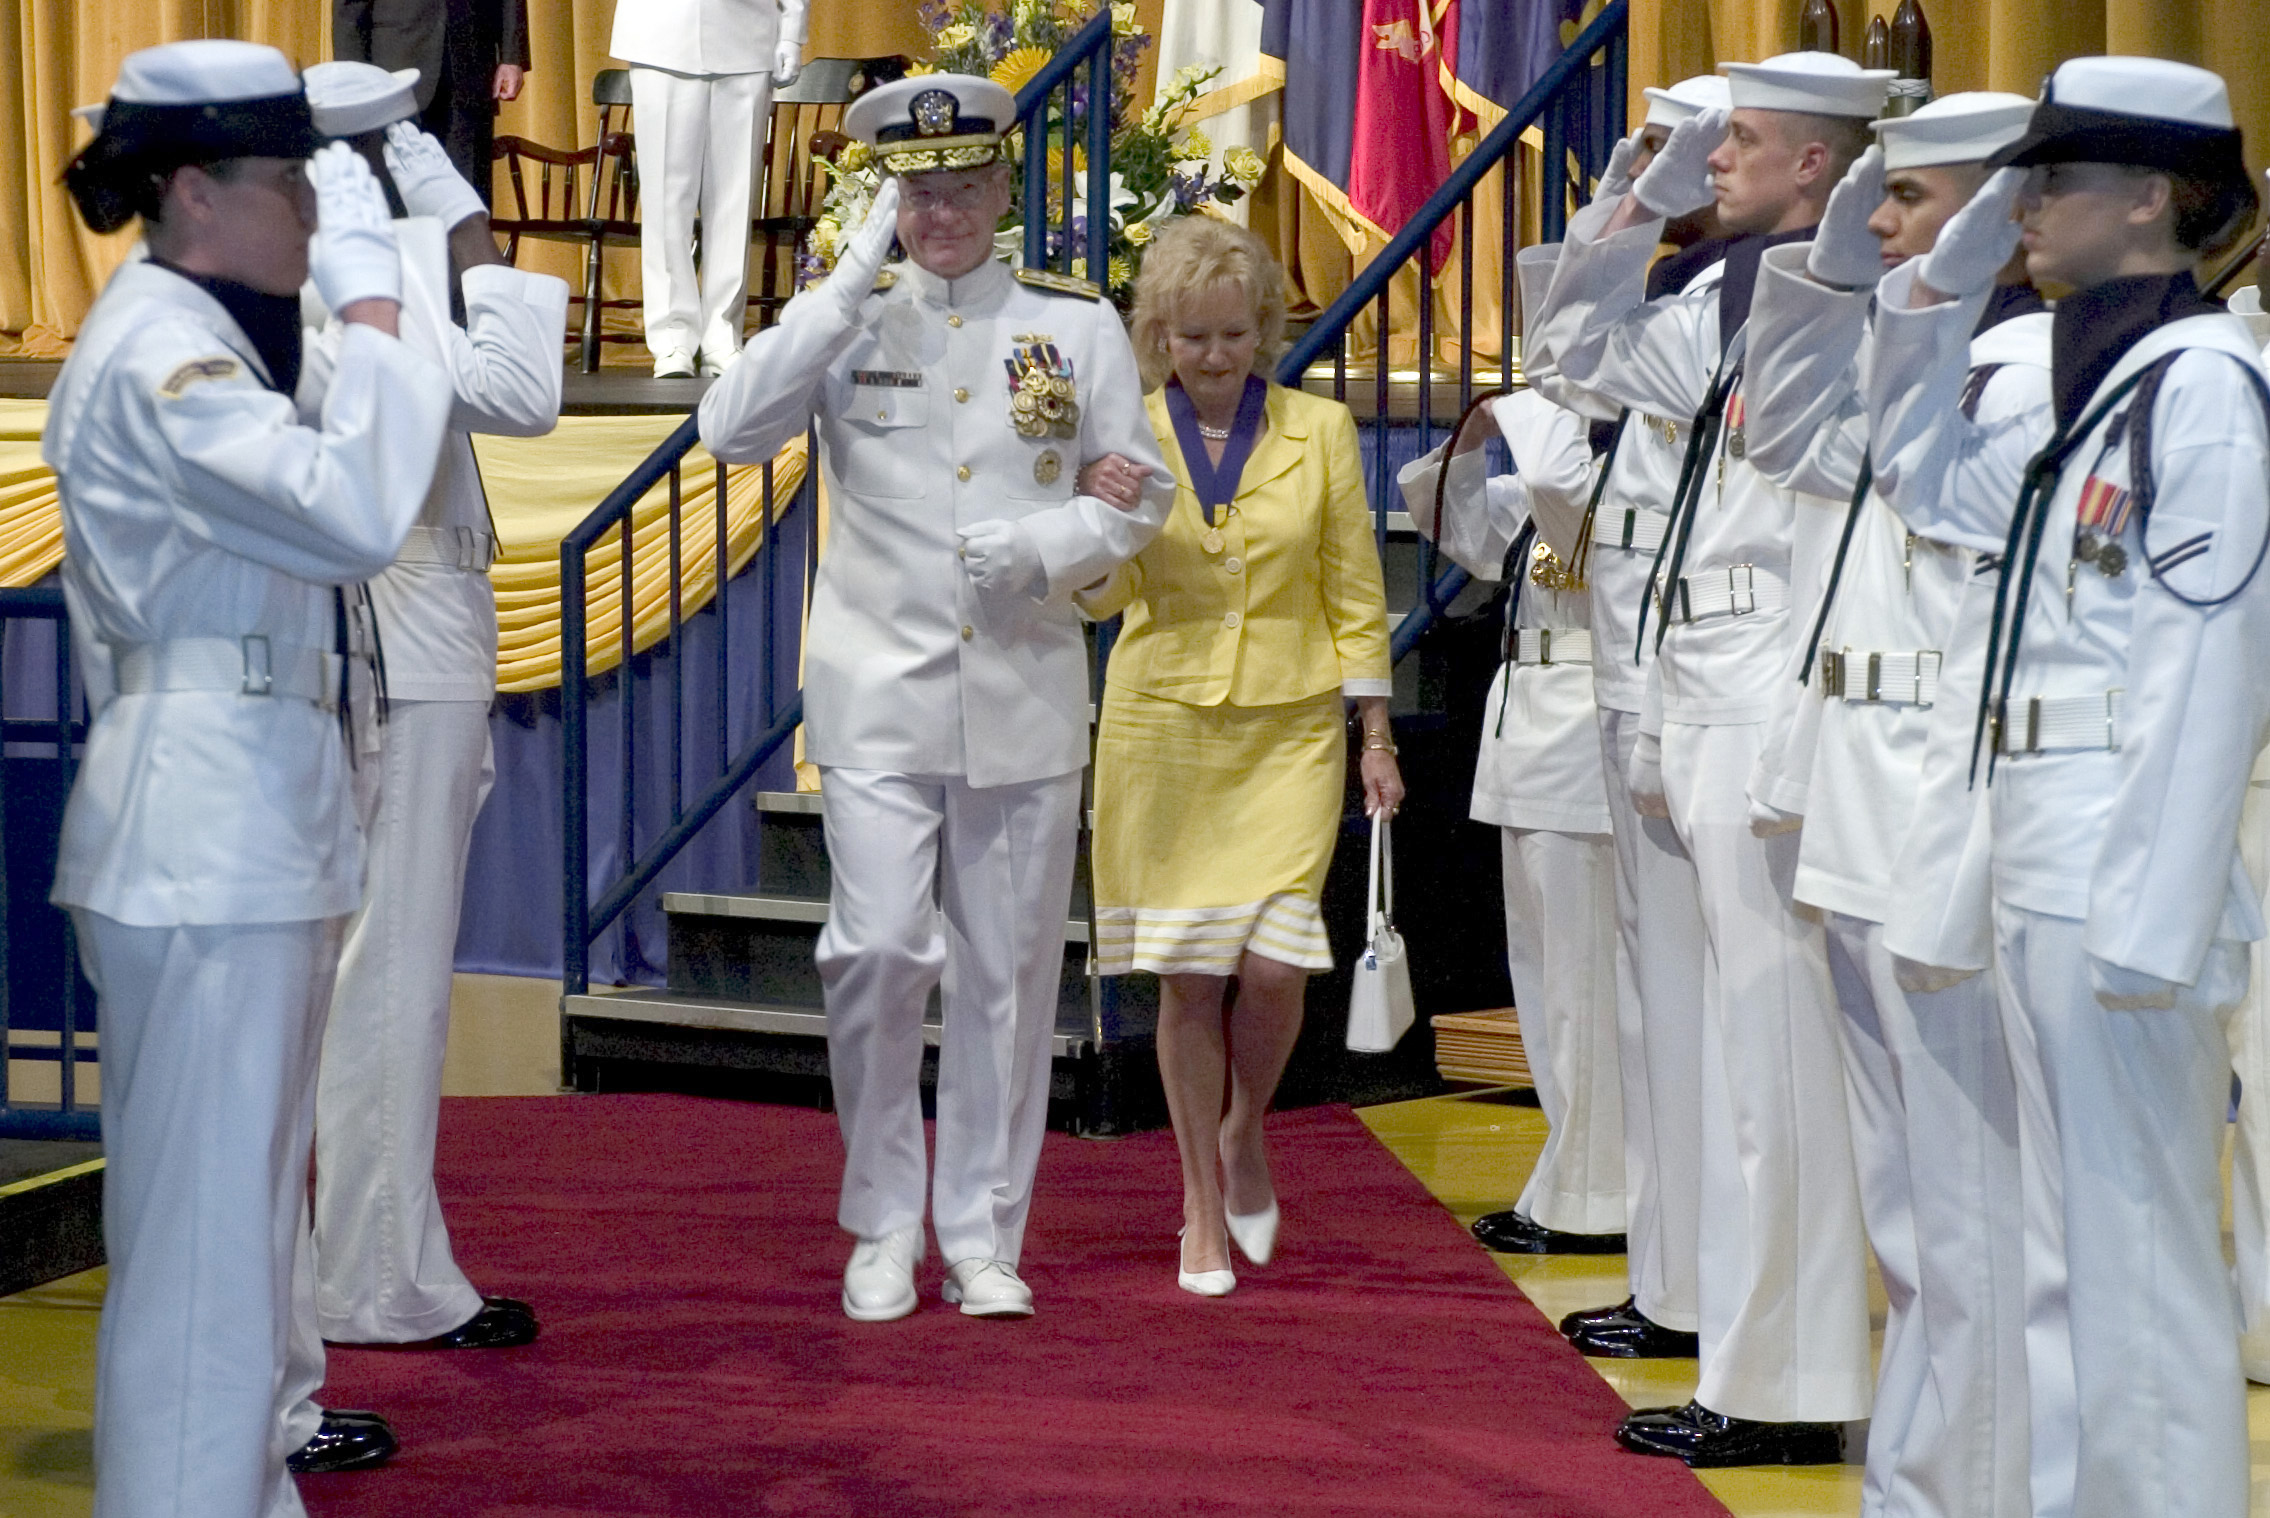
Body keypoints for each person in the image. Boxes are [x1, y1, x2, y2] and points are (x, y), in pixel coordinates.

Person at [697, 75, 1171, 1322]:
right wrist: (842, 282)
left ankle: (979, 1237)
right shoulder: (849, 318)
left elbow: (1140, 493)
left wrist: (1046, 546)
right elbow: (727, 430)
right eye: (917, 192)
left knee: (1006, 977)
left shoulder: (1071, 326)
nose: (940, 212)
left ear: (1004, 188)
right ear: (888, 200)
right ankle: (875, 1223)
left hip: (1019, 684)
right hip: (872, 690)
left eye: (962, 187)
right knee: (876, 948)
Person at [49, 38, 448, 1515]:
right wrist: (378, 295)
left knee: (233, 1228)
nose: (308, 206)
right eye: (289, 180)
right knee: (211, 1254)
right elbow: (350, 512)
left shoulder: (192, 331)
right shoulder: (167, 352)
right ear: (194, 191)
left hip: (236, 820)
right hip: (202, 832)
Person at [1868, 58, 2270, 1517]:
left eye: (2051, 180)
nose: (2021, 205)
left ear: (2151, 196)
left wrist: (2150, 923)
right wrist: (1954, 261)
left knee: (2140, 1262)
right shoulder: (2093, 376)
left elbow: (2202, 672)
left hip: (2118, 888)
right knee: (2068, 1257)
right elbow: (1908, 470)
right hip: (2044, 852)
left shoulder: (2207, 387)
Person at [1533, 51, 1891, 1466]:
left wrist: (1791, 733)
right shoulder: (1729, 293)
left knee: (1779, 1062)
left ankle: (1790, 1383)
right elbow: (1571, 355)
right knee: (1740, 1052)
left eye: (1738, 143)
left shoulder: (1856, 304)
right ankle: (1751, 1355)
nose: (1717, 160)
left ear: (1820, 165)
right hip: (1701, 684)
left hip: (1774, 695)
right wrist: (1631, 200)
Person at [1740, 91, 2044, 1518]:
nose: (1874, 219)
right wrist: (1864, 270)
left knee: (1975, 1212)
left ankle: (1973, 1488)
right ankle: (1919, 1483)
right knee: (1910, 1211)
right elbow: (1782, 428)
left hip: (1939, 819)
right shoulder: (1898, 349)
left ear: (1999, 214)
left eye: (1910, 199)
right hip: (1849, 801)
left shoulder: (2035, 372)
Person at [287, 60, 565, 1390]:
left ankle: (378, 1262)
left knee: (386, 978)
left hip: (413, 632)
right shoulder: (347, 287)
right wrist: (464, 227)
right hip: (396, 642)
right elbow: (522, 386)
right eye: (400, 135)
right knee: (385, 977)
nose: (430, 140)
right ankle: (374, 1279)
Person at [1074, 218, 1397, 1297]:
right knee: (1190, 977)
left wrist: (1375, 737)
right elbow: (1103, 597)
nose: (1212, 357)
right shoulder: (1125, 441)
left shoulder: (1320, 430)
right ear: (1157, 336)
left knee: (1272, 964)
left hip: (1288, 729)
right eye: (1189, 338)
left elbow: (1354, 591)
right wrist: (1089, 529)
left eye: (1231, 335)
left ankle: (1243, 1125)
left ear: (1262, 327)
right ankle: (1198, 1209)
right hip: (1162, 727)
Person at [1516, 74, 1724, 1359]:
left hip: (1695, 684)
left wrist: (1648, 195)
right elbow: (1559, 352)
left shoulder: (1743, 307)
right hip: (1636, 674)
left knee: (1697, 1019)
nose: (1633, 164)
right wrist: (1627, 198)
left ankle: (1697, 1287)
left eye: (1668, 148)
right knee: (1660, 1012)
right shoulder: (1679, 297)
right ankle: (1671, 1277)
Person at [1398, 380, 1625, 1259]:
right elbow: (1450, 515)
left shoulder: (1614, 484)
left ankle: (1598, 1191)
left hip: (1580, 741)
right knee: (1543, 980)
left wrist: (1538, 421)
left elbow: (1573, 501)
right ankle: (1571, 1177)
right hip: (1526, 732)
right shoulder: (1543, 489)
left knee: (1584, 991)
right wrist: (1480, 428)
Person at [611, 0, 810, 376]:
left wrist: (791, 33)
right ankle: (672, 337)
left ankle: (722, 334)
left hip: (748, 31)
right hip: (660, 30)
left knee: (735, 200)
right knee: (665, 202)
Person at [334, 0, 529, 199]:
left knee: (468, 198)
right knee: (396, 203)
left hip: (470, 63)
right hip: (394, 73)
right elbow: (348, 8)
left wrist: (512, 56)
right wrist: (354, 76)